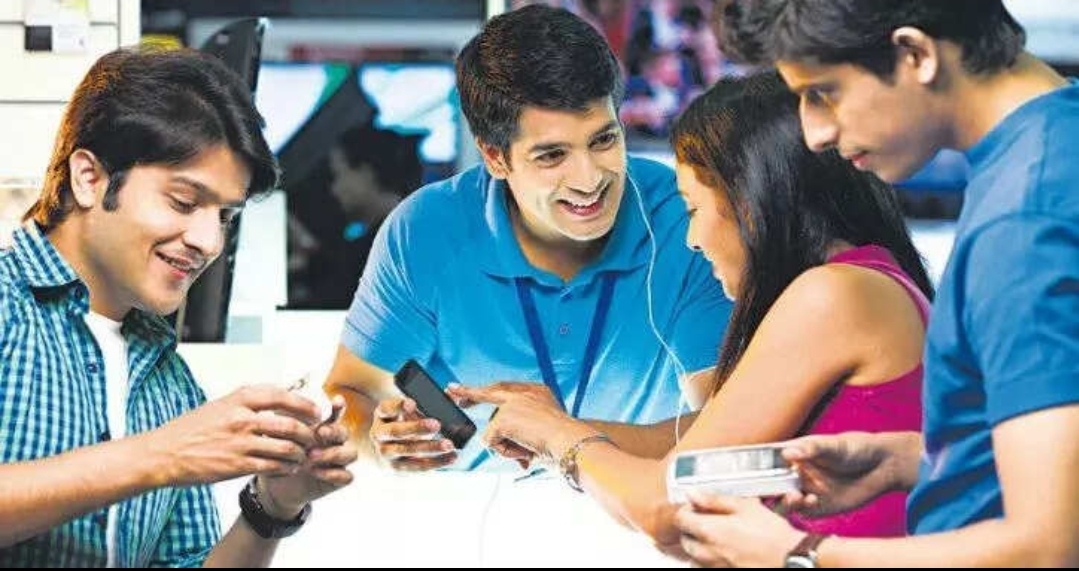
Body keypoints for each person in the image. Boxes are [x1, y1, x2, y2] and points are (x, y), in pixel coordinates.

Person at [666, 0, 1079, 566]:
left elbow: (1049, 546)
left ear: (915, 54)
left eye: (823, 93)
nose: (814, 133)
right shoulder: (1054, 146)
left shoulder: (1024, 219)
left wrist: (800, 555)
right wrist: (909, 461)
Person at [451, 71, 932, 550]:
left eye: (693, 210)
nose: (692, 240)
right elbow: (700, 448)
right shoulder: (862, 285)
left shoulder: (835, 295)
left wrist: (561, 439)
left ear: (750, 202)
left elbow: (668, 505)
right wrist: (547, 425)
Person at [323, 4, 731, 472]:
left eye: (603, 140)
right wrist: (381, 440)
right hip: (469, 506)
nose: (589, 179)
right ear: (495, 158)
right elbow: (350, 391)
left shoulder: (682, 217)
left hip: (634, 499)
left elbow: (726, 425)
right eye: (552, 155)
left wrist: (559, 439)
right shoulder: (425, 231)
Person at [0, 47, 358, 567]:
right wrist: (164, 454)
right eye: (184, 202)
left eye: (225, 216)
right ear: (89, 178)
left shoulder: (168, 378)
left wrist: (273, 506)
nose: (208, 241)